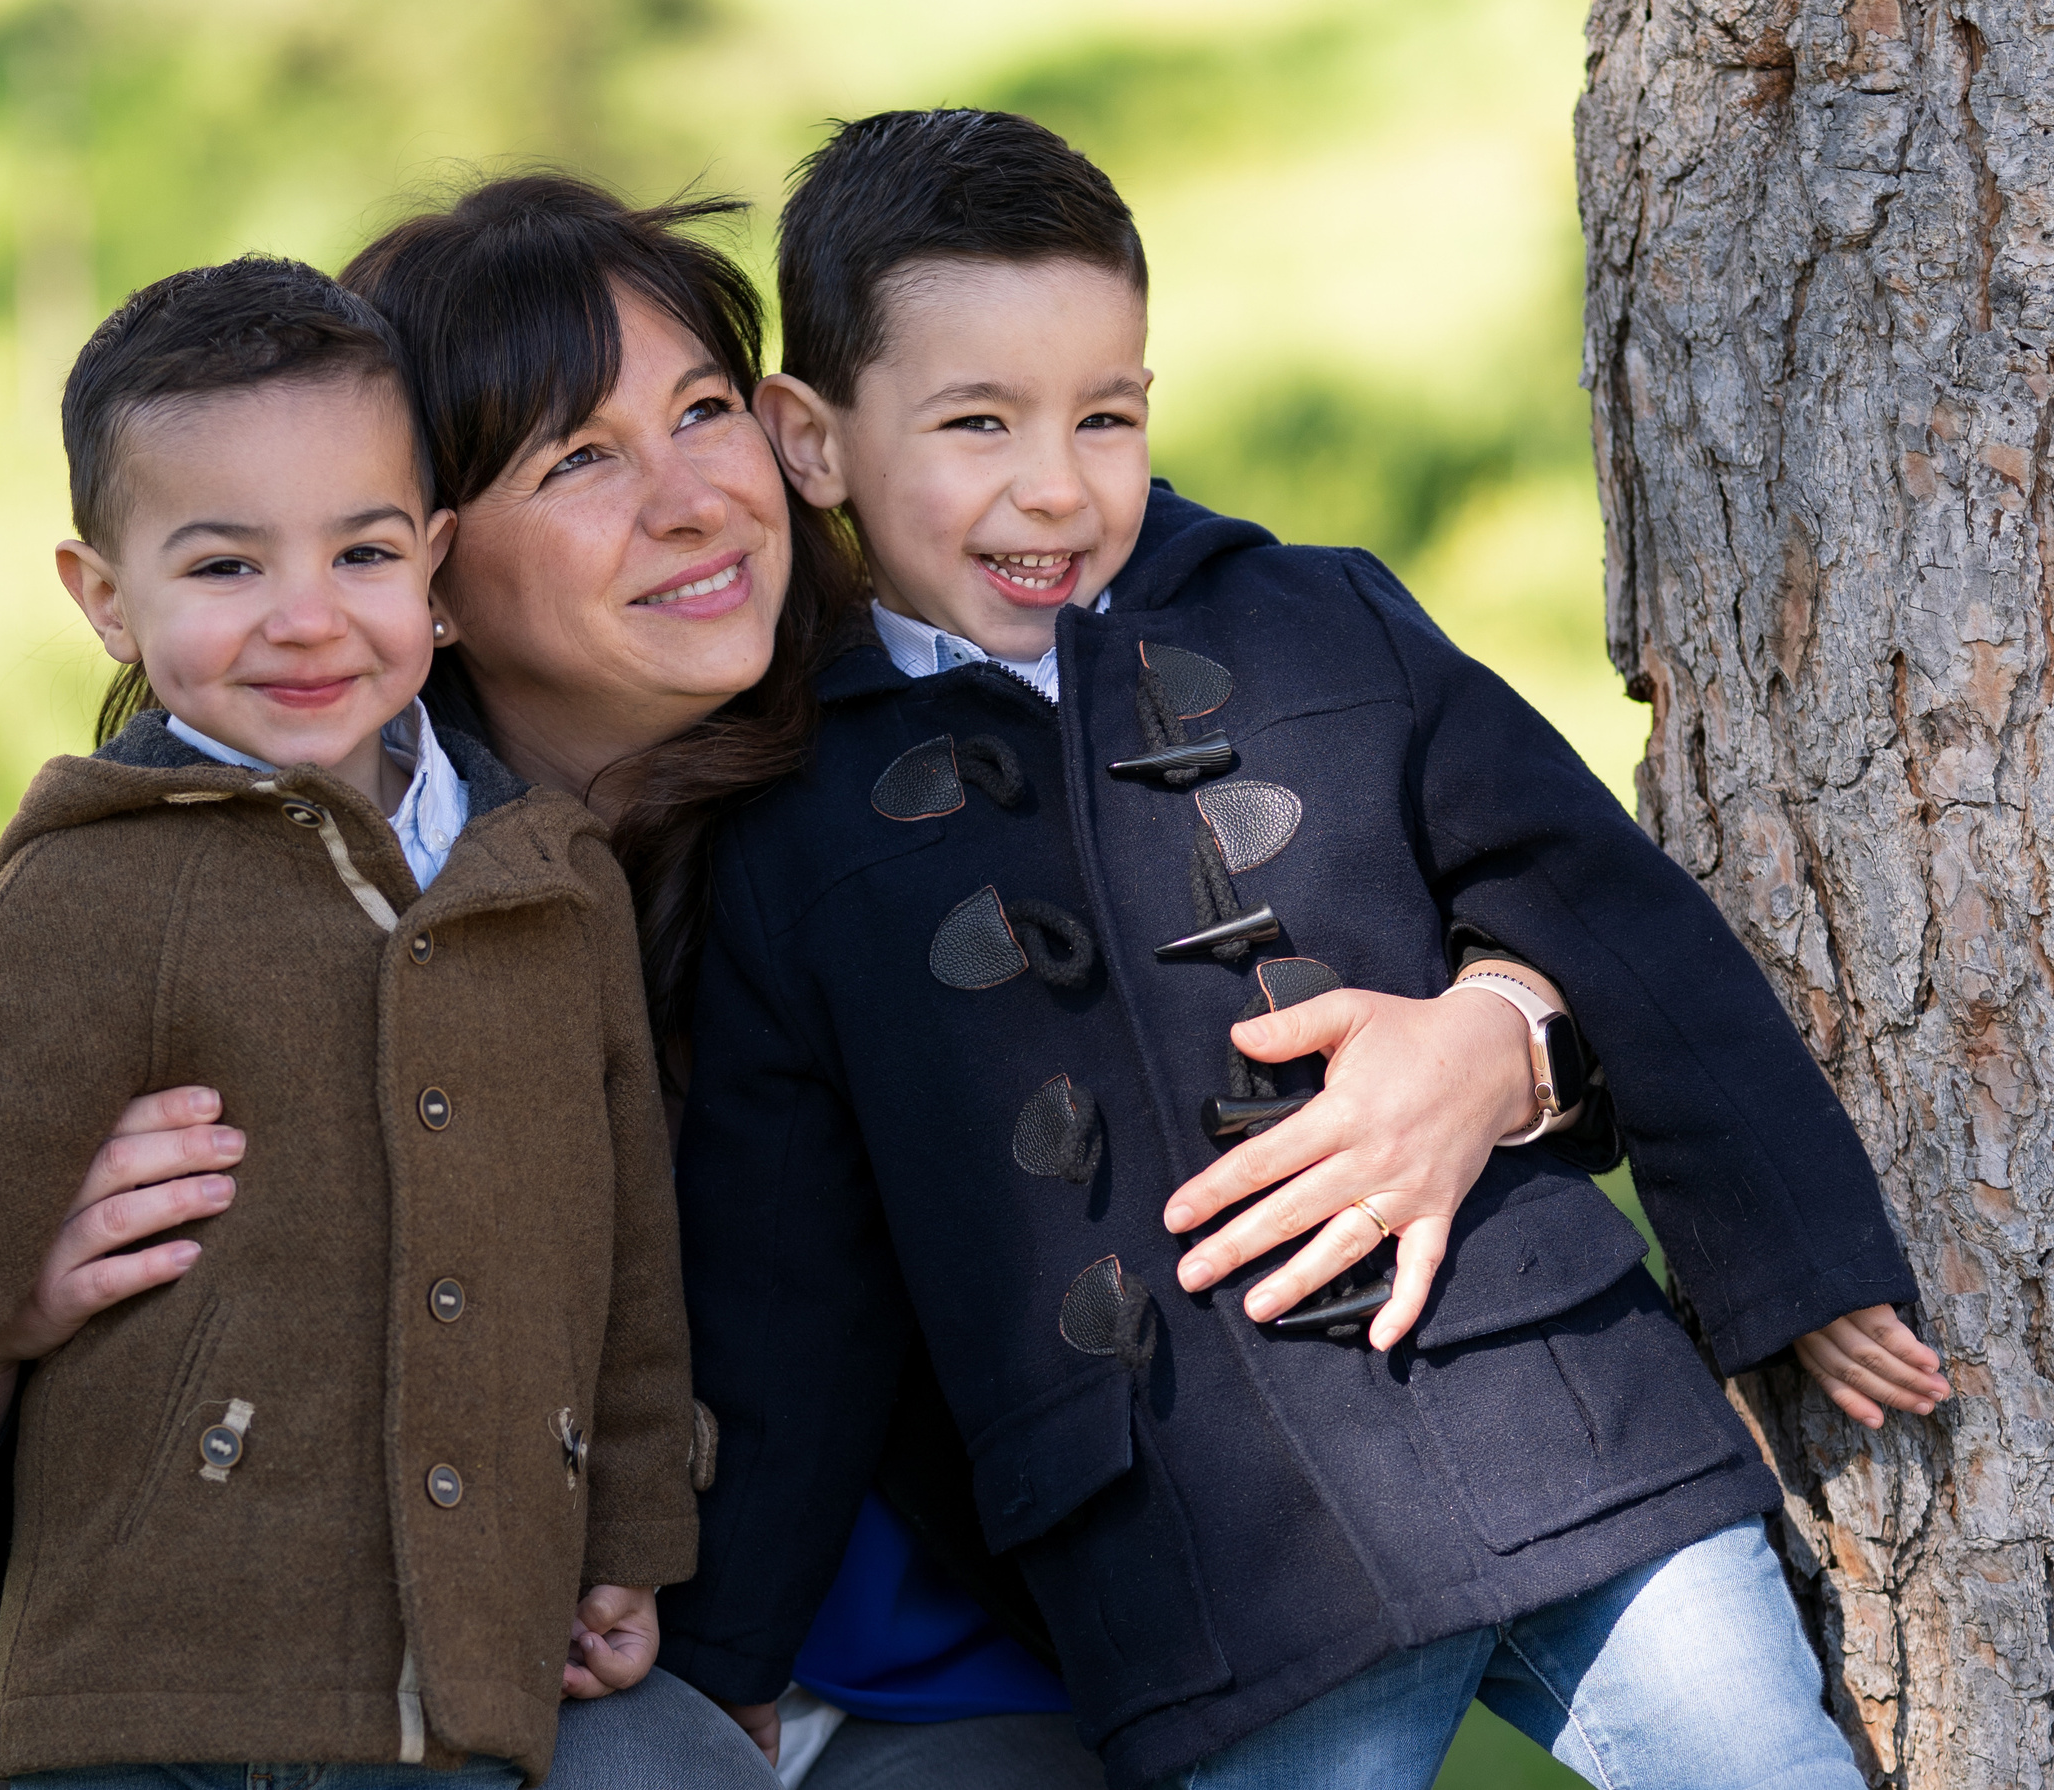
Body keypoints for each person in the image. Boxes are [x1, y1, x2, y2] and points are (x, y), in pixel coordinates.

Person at [0, 176, 1735, 1790]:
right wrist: (10, 1328)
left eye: (707, 411)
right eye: (584, 459)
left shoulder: (949, 718)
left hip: (992, 1676)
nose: (698, 497)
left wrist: (1509, 1038)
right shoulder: (272, 897)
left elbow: (1393, 797)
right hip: (560, 1688)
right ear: (430, 559)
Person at [659, 108, 1951, 1790]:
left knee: (1773, 1766)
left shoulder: (1311, 620)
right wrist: (726, 1652)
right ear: (810, 441)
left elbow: (1609, 913)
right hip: (1200, 1560)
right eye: (978, 421)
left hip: (1561, 1414)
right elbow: (787, 1278)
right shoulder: (795, 836)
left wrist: (1804, 1264)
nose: (1056, 483)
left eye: (1106, 416)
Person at [0, 256, 714, 1789]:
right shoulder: (103, 881)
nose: (305, 619)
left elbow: (619, 1258)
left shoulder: (548, 882)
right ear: (107, 598)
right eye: (226, 569)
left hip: (456, 1700)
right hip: (152, 1691)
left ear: (431, 568)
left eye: (360, 553)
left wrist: (624, 1531)